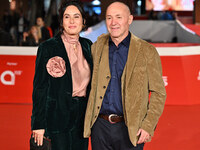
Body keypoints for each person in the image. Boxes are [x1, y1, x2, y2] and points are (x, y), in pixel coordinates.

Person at [84, 1, 166, 150]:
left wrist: (148, 125)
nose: (113, 22)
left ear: (129, 19)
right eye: (109, 18)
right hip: (100, 128)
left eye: (118, 17)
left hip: (131, 128)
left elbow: (159, 93)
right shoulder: (97, 47)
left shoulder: (147, 51)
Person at [31, 1, 93, 150]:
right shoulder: (48, 47)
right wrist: (38, 124)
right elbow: (40, 88)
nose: (72, 21)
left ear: (83, 21)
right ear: (61, 21)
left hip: (82, 119)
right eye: (67, 17)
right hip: (56, 117)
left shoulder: (89, 45)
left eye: (76, 17)